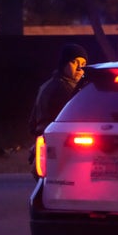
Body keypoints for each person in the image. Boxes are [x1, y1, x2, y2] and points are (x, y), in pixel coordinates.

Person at [28, 43, 88, 178]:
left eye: (83, 63)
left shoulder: (46, 85)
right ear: (64, 64)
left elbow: (32, 124)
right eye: (74, 62)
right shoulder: (65, 90)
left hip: (46, 148)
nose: (80, 68)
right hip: (59, 150)